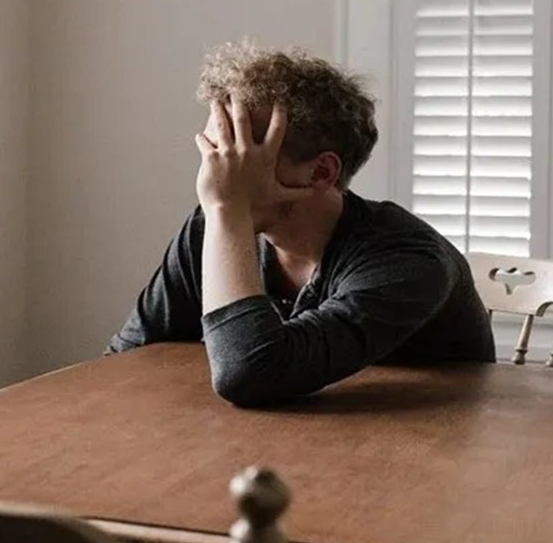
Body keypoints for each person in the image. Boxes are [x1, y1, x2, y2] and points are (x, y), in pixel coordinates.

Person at [107, 41, 494, 407]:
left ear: (321, 172)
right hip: (279, 438)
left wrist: (228, 209)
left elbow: (250, 374)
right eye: (213, 153)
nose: (213, 177)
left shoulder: (408, 260)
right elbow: (123, 362)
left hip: (425, 444)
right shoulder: (213, 226)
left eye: (239, 155)